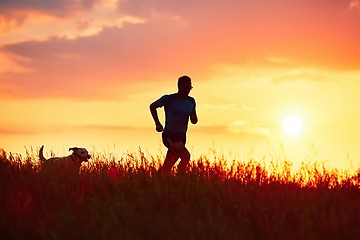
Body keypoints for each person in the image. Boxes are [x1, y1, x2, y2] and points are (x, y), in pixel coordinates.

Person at [149, 75, 198, 175]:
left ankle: (155, 181)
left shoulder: (191, 101)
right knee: (186, 156)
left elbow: (194, 119)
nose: (188, 90)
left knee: (167, 166)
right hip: (169, 135)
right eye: (186, 88)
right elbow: (152, 106)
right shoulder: (169, 99)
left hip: (182, 137)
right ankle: (181, 180)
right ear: (179, 87)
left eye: (190, 88)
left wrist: (194, 118)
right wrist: (157, 123)